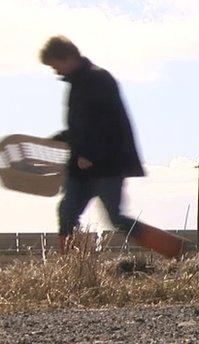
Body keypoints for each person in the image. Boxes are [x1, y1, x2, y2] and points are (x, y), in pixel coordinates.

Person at [41, 35, 183, 257]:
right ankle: (71, 267)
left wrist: (90, 154)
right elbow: (80, 126)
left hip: (107, 164)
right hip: (82, 165)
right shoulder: (77, 84)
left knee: (115, 218)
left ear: (67, 57)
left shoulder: (98, 79)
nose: (55, 71)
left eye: (54, 65)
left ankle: (177, 250)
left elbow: (109, 124)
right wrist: (59, 139)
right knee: (67, 212)